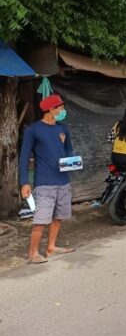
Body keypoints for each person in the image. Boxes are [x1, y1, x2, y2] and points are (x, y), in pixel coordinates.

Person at [19, 94, 76, 264]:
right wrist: (24, 182)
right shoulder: (33, 130)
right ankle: (33, 253)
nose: (63, 111)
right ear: (51, 109)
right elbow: (23, 158)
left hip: (63, 181)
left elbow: (68, 151)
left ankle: (51, 247)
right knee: (41, 219)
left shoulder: (63, 129)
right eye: (61, 108)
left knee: (58, 216)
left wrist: (72, 162)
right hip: (44, 182)